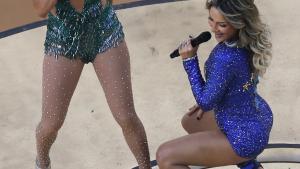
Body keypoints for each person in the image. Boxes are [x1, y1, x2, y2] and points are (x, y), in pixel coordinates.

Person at [32, 0, 151, 168]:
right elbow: (40, 9)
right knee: (51, 124)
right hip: (62, 40)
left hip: (105, 32)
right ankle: (42, 163)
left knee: (126, 117)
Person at [156, 0, 273, 168]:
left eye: (222, 25)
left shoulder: (225, 57)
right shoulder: (245, 41)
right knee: (191, 121)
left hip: (244, 136)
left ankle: (245, 157)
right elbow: (235, 83)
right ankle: (249, 165)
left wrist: (189, 60)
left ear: (238, 23)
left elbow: (206, 102)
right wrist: (211, 94)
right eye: (211, 20)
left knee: (165, 156)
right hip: (256, 115)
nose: (213, 28)